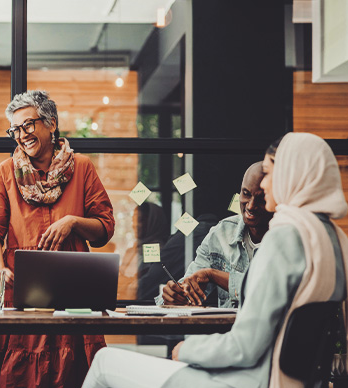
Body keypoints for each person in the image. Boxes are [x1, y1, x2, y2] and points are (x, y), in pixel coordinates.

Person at [82, 132, 348, 388]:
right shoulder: (335, 240)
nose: (265, 184)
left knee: (105, 361)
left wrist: (187, 350)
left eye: (270, 173)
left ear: (294, 175)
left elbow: (245, 347)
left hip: (246, 379)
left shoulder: (284, 238)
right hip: (292, 381)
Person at [0, 90, 115, 388]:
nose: (21, 135)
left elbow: (104, 228)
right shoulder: (6, 171)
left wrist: (73, 222)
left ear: (51, 124)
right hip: (19, 295)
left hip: (74, 293)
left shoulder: (83, 167)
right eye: (15, 129)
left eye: (28, 125)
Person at [158, 161, 272, 307]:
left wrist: (213, 275)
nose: (250, 205)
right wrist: (175, 295)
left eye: (261, 199)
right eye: (246, 194)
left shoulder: (285, 239)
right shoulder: (220, 234)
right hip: (224, 329)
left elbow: (266, 291)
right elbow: (190, 285)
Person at [117, 202, 169, 300]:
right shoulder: (131, 251)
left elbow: (148, 282)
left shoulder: (160, 252)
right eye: (133, 220)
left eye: (140, 220)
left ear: (154, 222)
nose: (135, 225)